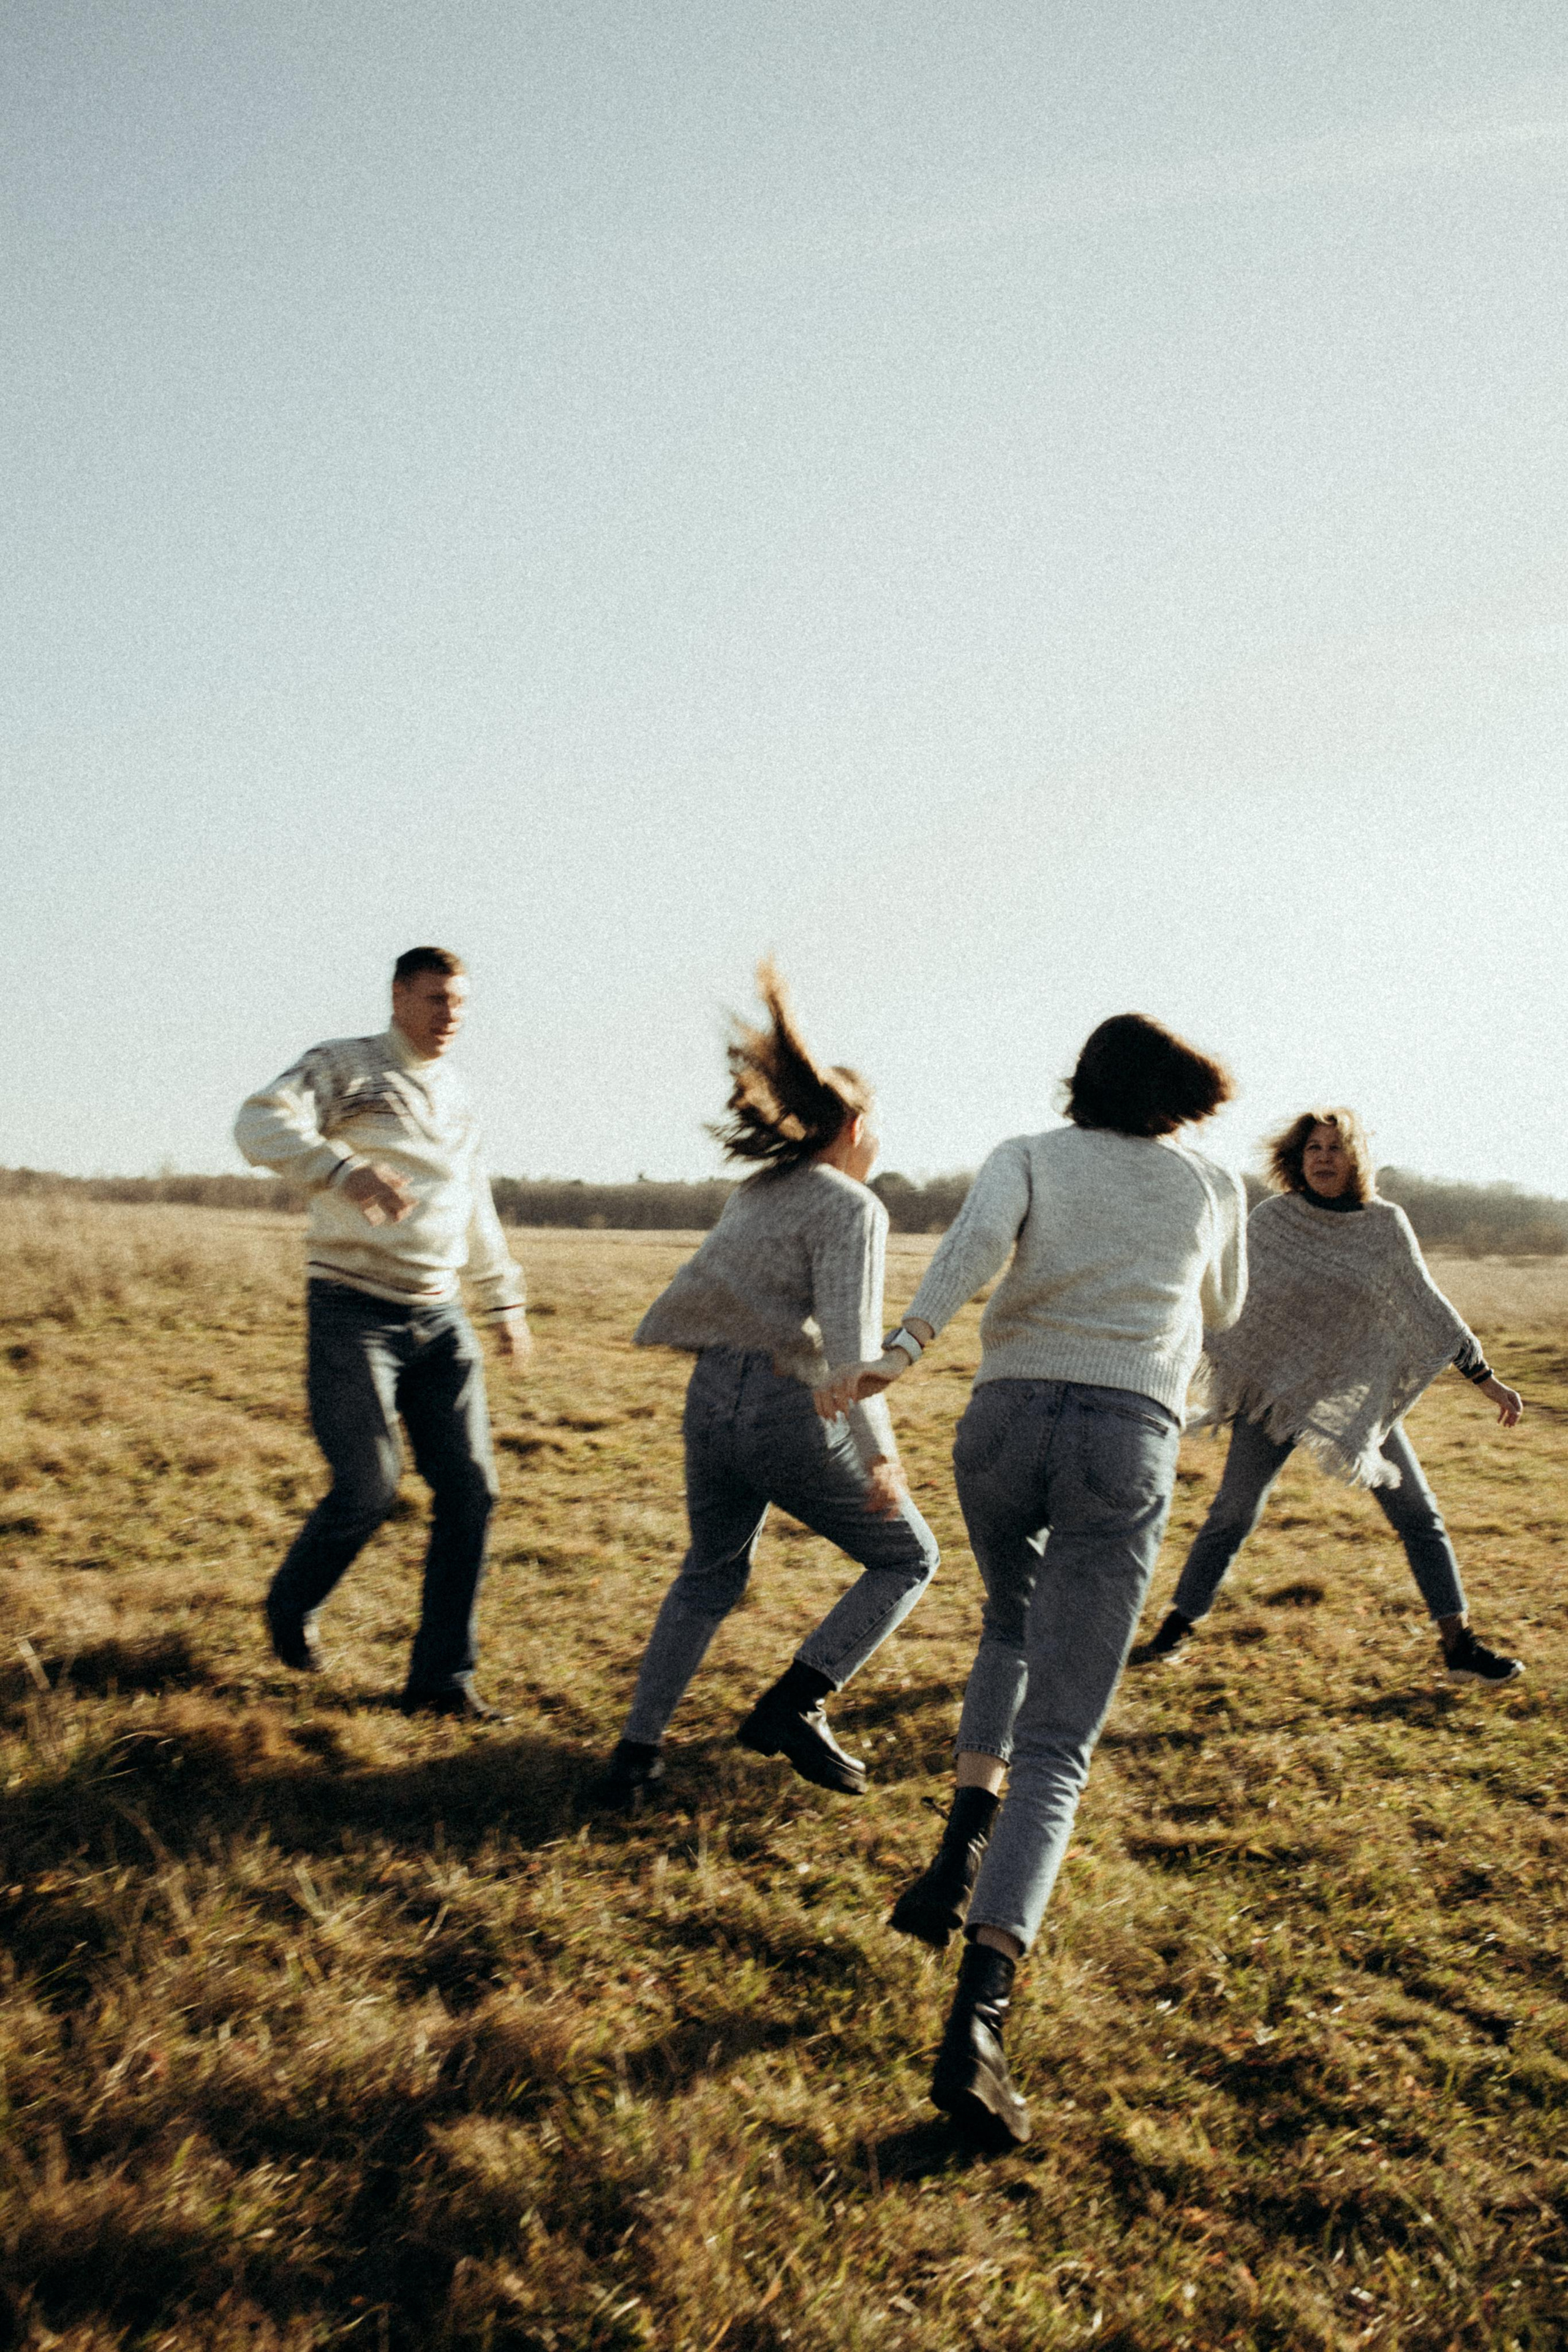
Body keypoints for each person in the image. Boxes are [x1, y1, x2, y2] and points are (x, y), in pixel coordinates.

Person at [817, 1012, 1246, 2146]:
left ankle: (955, 1855)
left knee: (1009, 1625)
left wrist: (901, 1352)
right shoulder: (1212, 1184)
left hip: (1002, 1422)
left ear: (1083, 1081)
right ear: (1181, 1093)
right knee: (1058, 1742)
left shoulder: (1028, 1154)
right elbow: (1227, 1309)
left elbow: (970, 1252)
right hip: (1125, 1435)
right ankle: (979, 2028)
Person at [589, 962, 939, 1812]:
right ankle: (797, 1701)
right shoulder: (853, 1207)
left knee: (708, 1575)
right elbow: (854, 1351)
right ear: (855, 1127)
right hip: (784, 1410)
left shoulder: (759, 1190)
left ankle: (635, 1756)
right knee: (909, 1557)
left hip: (710, 1398)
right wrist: (881, 1458)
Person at [235, 946, 529, 1719]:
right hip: (352, 1308)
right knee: (369, 1483)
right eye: (435, 999)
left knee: (471, 1492)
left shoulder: (458, 1094)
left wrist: (503, 1301)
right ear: (399, 997)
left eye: (459, 1003)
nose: (449, 1016)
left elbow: (473, 1199)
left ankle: (440, 1684)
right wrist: (341, 1170)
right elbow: (257, 1122)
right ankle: (292, 1603)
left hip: (441, 1317)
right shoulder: (345, 1066)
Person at [1131, 1108, 1525, 1683]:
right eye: (1313, 1148)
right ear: (1298, 1158)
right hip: (1271, 1395)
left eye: (1335, 1148)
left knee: (1419, 1515)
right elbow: (1228, 1298)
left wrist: (1486, 1378)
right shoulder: (1273, 1220)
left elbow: (1427, 1308)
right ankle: (1176, 1627)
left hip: (1354, 1402)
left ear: (1354, 1158)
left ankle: (1459, 1646)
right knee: (1232, 1514)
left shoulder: (1384, 1225)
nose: (1323, 1158)